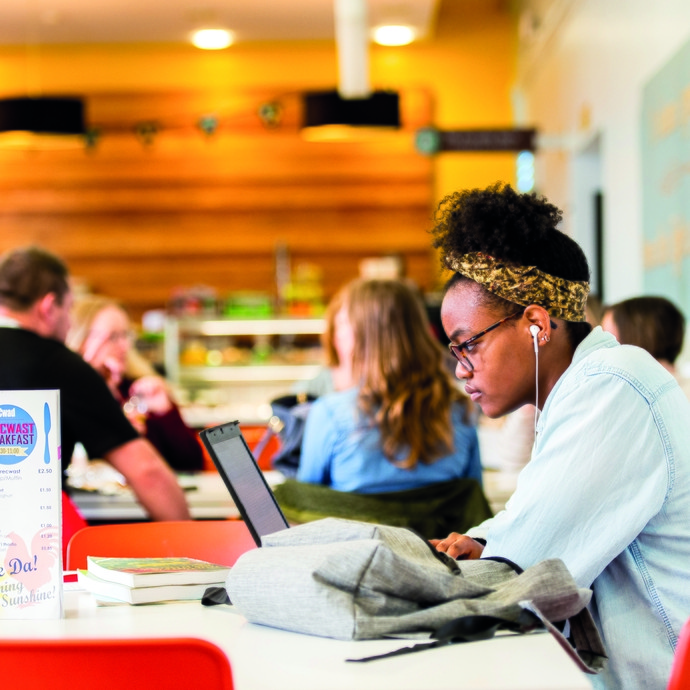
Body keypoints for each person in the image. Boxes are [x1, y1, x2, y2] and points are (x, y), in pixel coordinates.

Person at [427, 183, 690, 690]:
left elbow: (524, 568)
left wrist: (485, 548)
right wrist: (481, 540)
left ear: (535, 326)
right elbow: (535, 519)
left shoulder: (613, 385)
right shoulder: (586, 386)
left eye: (468, 347)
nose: (461, 371)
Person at [0, 246, 191, 528]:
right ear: (49, 306)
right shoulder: (59, 364)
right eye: (68, 310)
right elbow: (146, 471)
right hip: (30, 545)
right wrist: (191, 545)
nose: (69, 324)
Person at [297, 278, 482, 493]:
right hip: (444, 528)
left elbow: (303, 505)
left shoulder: (330, 414)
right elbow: (473, 501)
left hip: (354, 527)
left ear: (358, 339)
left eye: (341, 325)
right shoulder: (462, 410)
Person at [66, 295, 204, 473]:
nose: (124, 345)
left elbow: (191, 463)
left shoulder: (139, 389)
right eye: (113, 337)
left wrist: (166, 413)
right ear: (80, 339)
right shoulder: (65, 393)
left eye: (126, 335)